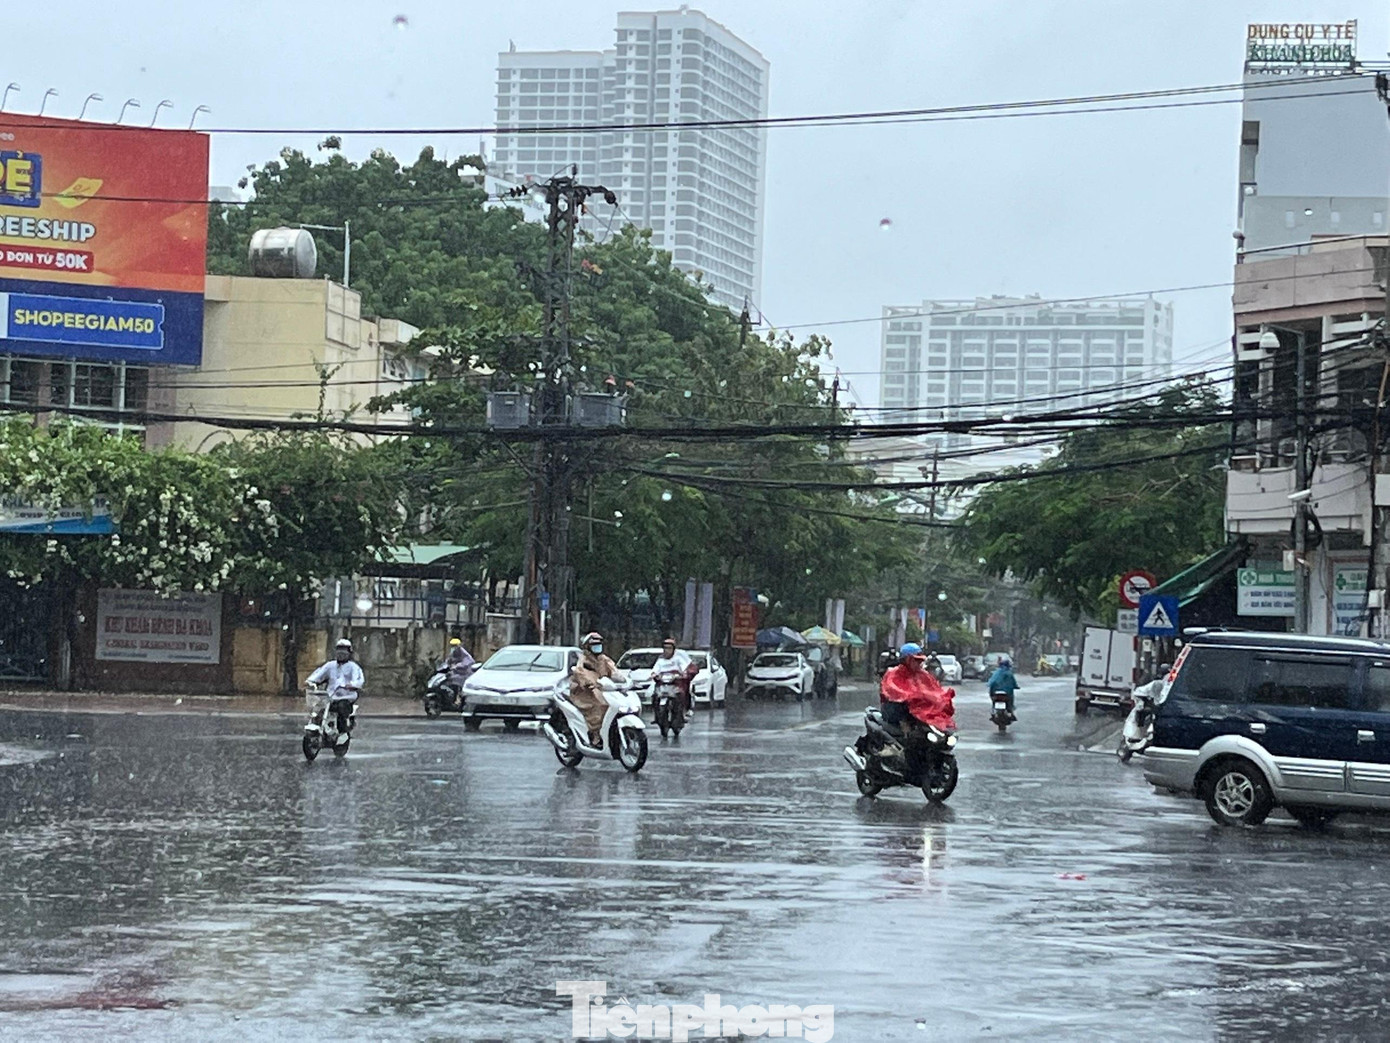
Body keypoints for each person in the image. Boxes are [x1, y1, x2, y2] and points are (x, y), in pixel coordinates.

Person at [878, 642, 957, 751]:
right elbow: (892, 689)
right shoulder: (893, 673)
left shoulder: (923, 674)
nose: (918, 663)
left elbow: (934, 689)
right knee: (901, 710)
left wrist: (941, 698)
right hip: (898, 710)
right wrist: (910, 696)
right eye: (915, 660)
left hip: (918, 710)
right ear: (907, 660)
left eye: (920, 661)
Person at [569, 631, 627, 748]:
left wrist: (623, 680)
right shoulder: (583, 660)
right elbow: (579, 673)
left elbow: (614, 671)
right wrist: (587, 682)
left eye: (599, 644)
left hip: (603, 690)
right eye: (594, 645)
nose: (597, 647)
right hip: (585, 692)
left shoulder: (603, 659)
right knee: (598, 707)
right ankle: (595, 735)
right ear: (587, 647)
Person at [307, 638, 365, 737]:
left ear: (349, 652)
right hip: (330, 697)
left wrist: (352, 685)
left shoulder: (354, 667)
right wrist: (310, 681)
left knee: (342, 709)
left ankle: (343, 731)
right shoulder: (330, 665)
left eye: (344, 650)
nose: (341, 653)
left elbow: (359, 680)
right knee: (319, 711)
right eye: (339, 649)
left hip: (346, 697)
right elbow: (319, 674)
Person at [652, 637, 699, 714]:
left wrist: (683, 674)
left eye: (669, 648)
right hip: (663, 684)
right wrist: (654, 675)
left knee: (682, 694)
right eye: (665, 648)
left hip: (676, 684)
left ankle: (684, 710)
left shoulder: (678, 659)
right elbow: (655, 670)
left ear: (673, 649)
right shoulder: (660, 660)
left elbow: (684, 669)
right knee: (655, 695)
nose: (667, 650)